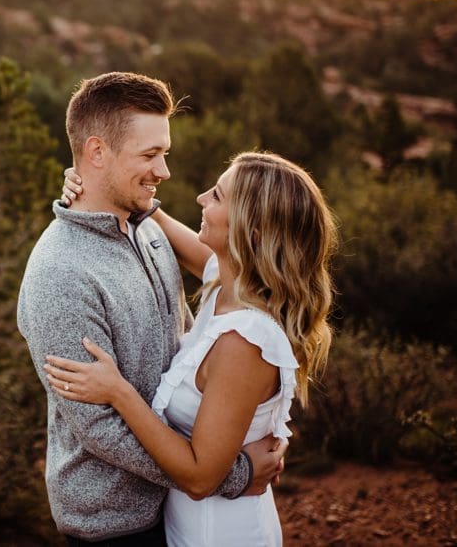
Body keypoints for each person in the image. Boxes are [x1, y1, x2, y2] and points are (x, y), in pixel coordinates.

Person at [17, 72, 287, 546]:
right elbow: (98, 427)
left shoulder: (147, 233)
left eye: (164, 153)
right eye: (150, 156)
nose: (164, 172)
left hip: (177, 510)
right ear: (97, 153)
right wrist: (228, 475)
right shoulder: (61, 273)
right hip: (117, 526)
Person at [47, 151, 336, 546]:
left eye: (216, 196)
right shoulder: (233, 285)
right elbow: (153, 217)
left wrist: (118, 392)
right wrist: (99, 191)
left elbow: (200, 477)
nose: (201, 198)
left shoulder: (244, 341)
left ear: (250, 233)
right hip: (185, 526)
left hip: (219, 534)